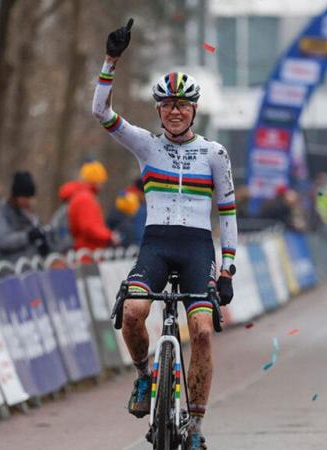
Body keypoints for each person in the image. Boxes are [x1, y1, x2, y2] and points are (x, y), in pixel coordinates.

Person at [93, 19, 236, 449]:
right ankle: (142, 376)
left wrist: (226, 270)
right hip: (156, 245)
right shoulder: (146, 146)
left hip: (196, 249)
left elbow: (227, 212)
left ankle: (194, 427)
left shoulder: (215, 154)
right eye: (168, 104)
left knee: (205, 333)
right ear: (158, 110)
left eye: (183, 104)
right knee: (134, 312)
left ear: (195, 110)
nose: (175, 110)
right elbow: (100, 113)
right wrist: (110, 61)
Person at [0, 171, 49, 264]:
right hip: (8, 268)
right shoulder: (0, 214)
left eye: (30, 198)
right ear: (16, 196)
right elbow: (0, 241)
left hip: (30, 268)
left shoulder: (30, 215)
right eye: (25, 197)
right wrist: (27, 236)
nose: (28, 201)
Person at [58, 160, 121, 251]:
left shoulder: (79, 195)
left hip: (84, 250)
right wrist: (109, 236)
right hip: (88, 252)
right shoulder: (85, 198)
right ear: (97, 180)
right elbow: (89, 227)